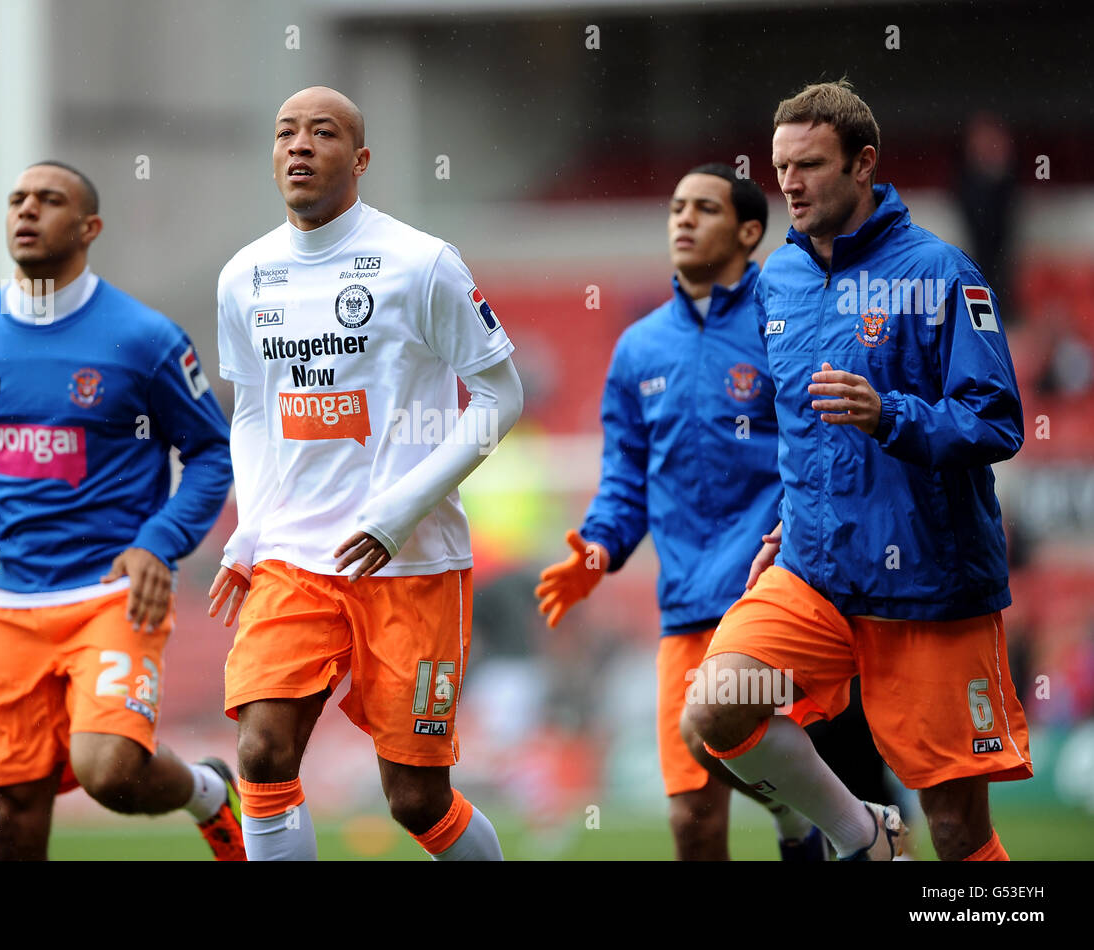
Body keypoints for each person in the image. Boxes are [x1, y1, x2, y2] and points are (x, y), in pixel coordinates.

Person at [684, 81, 1032, 861]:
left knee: (956, 829)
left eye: (809, 165)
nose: (791, 185)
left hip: (930, 587)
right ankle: (864, 835)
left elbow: (998, 419)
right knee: (716, 709)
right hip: (815, 576)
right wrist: (786, 520)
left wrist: (891, 415)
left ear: (863, 162)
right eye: (781, 167)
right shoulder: (779, 280)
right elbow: (799, 432)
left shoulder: (944, 274)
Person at [0, 161, 246, 861]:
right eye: (17, 199)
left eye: (49, 200)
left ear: (89, 227)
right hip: (10, 603)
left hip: (112, 593)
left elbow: (211, 454)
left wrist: (159, 543)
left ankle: (208, 793)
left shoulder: (143, 339)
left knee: (110, 771)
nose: (28, 210)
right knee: (10, 810)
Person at [208, 86, 522, 861]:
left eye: (323, 132)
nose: (300, 145)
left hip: (411, 563)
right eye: (286, 132)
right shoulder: (244, 276)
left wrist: (402, 509)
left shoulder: (421, 264)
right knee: (262, 752)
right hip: (294, 558)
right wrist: (250, 528)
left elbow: (500, 392)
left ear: (361, 158)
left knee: (415, 800)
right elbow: (252, 409)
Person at [537, 164, 831, 860]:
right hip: (686, 606)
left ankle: (809, 826)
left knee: (763, 759)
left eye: (704, 207)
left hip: (773, 597)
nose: (683, 219)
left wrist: (795, 540)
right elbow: (625, 481)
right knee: (693, 822)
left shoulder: (786, 322)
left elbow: (819, 448)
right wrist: (599, 549)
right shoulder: (640, 348)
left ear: (750, 231)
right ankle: (806, 827)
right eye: (675, 207)